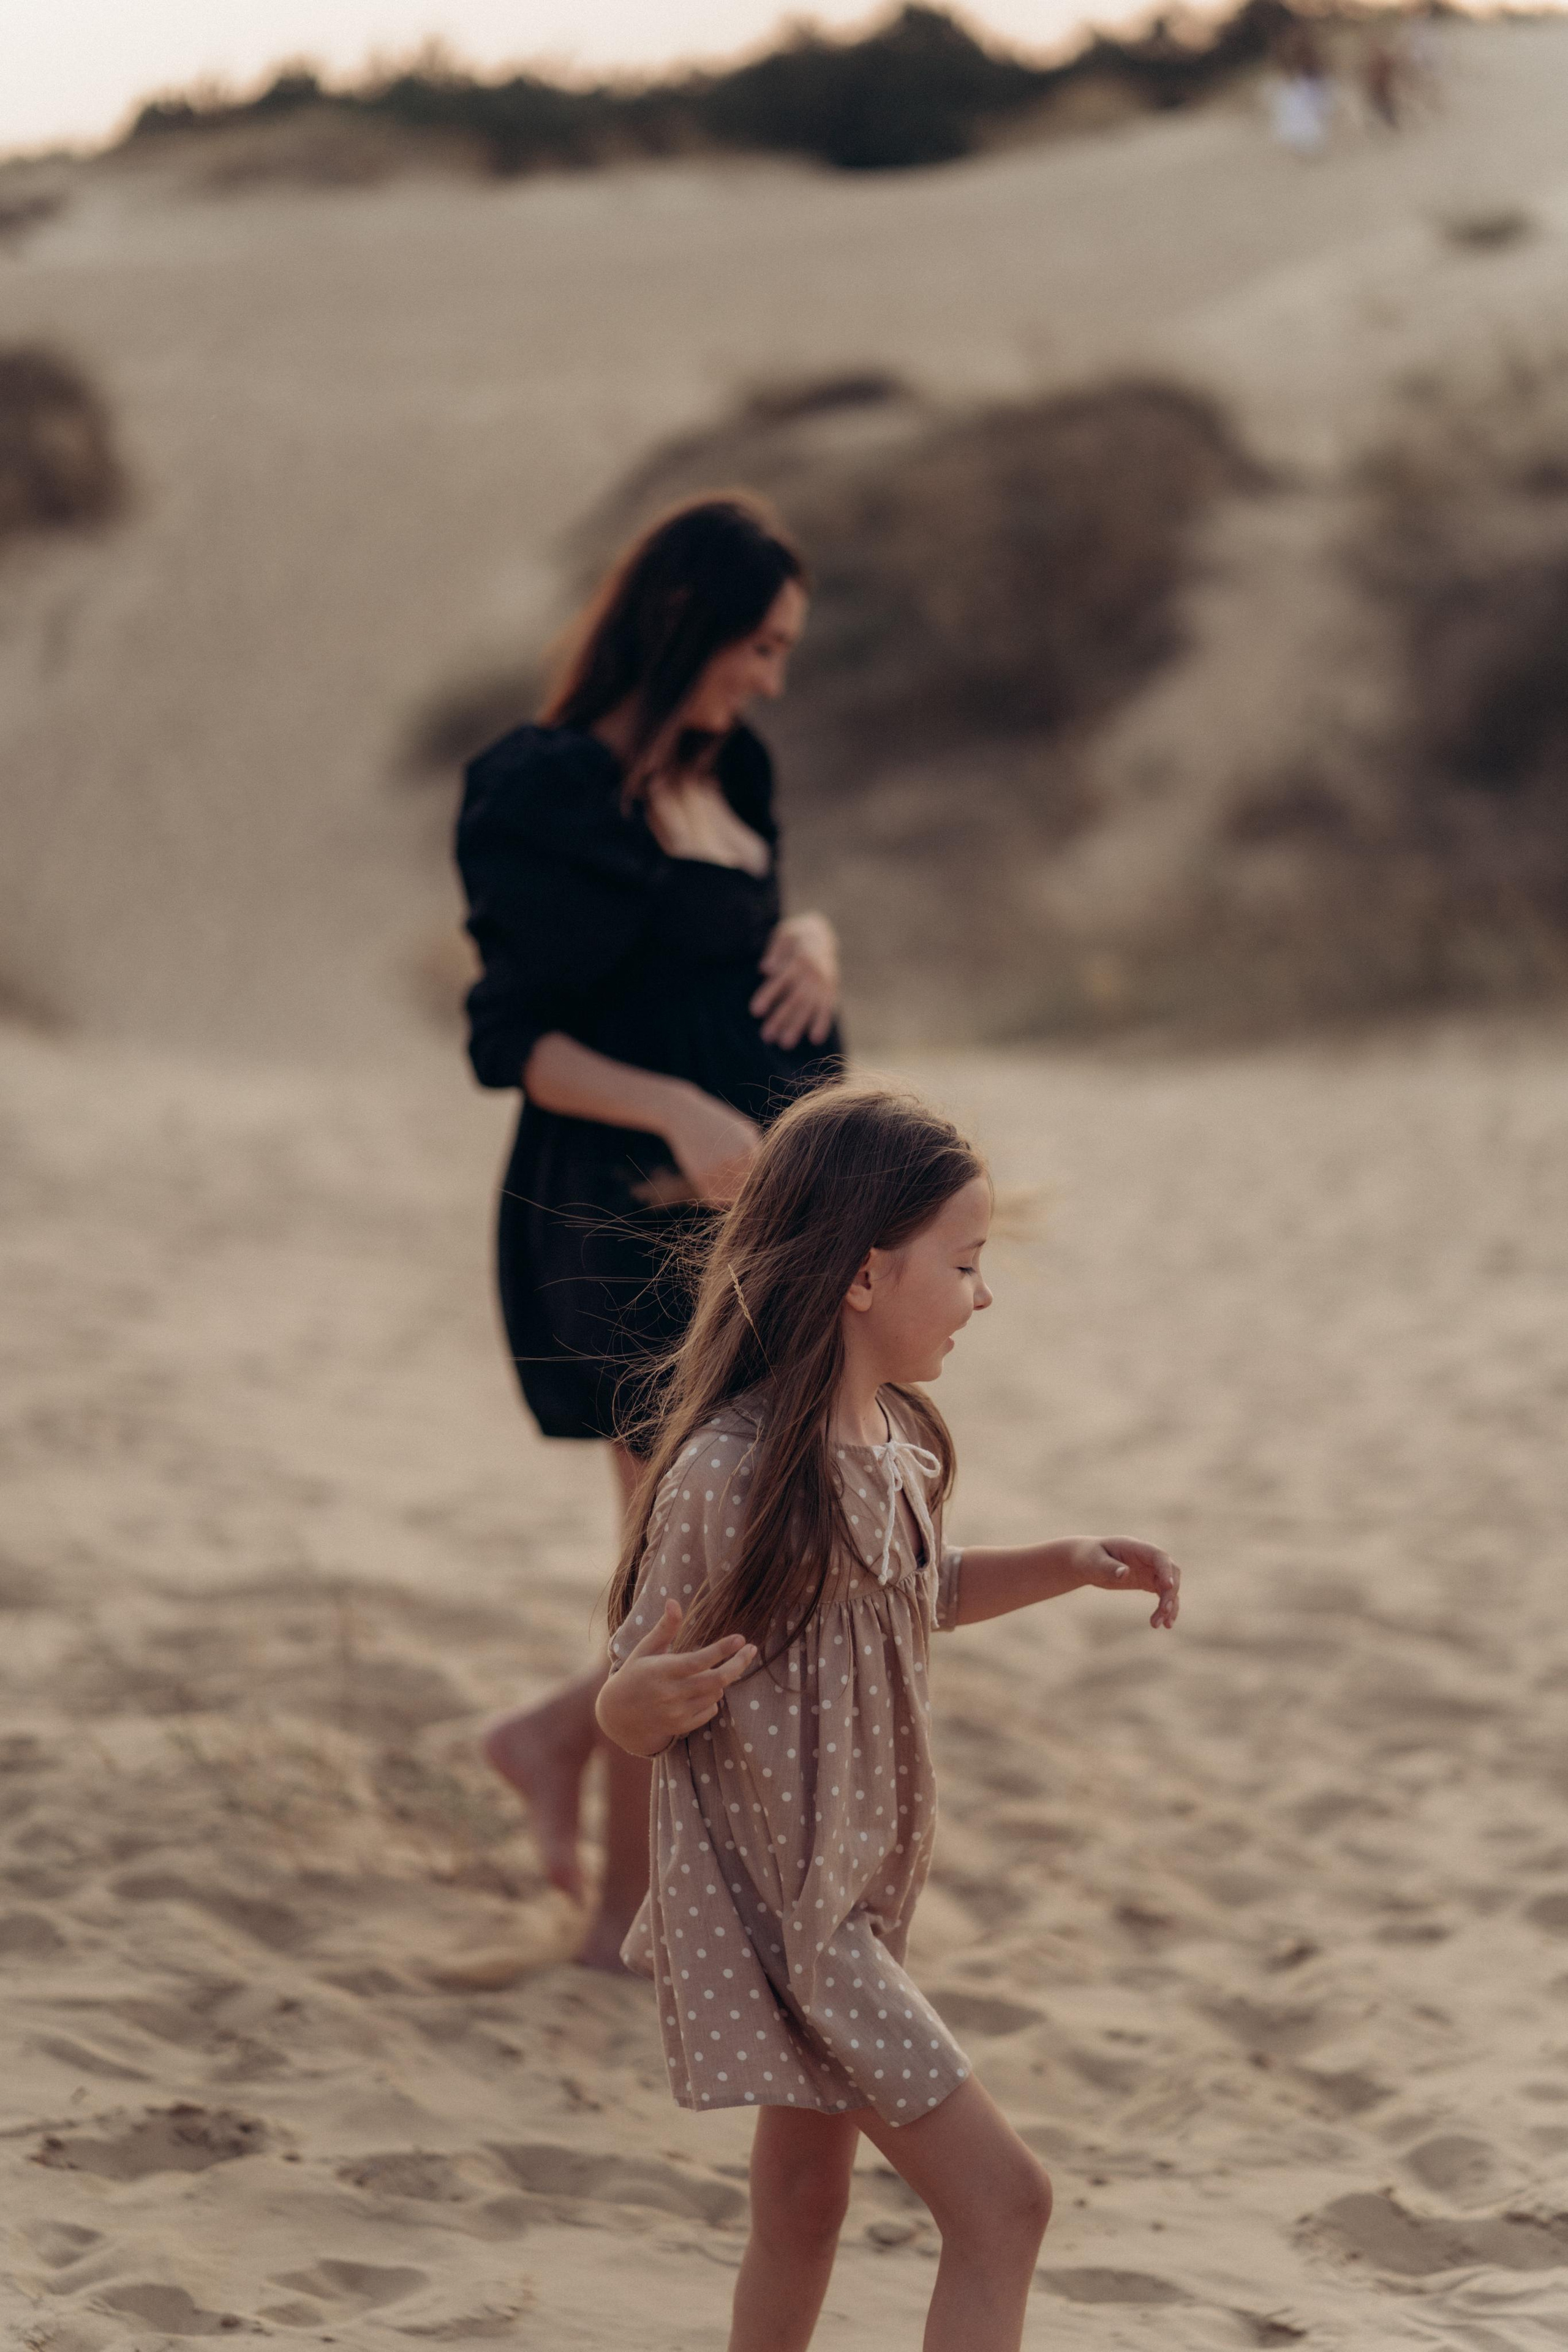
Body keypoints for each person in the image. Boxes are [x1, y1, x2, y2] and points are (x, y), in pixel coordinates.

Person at [597, 1082, 1182, 2352]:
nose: (984, 1296)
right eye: (964, 1265)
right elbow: (634, 1696)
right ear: (865, 1275)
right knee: (1006, 2205)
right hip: (801, 1926)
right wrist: (634, 1705)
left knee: (803, 2207)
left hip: (858, 1899)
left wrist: (1066, 1561)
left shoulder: (896, 1442)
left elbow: (914, 1594)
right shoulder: (728, 1472)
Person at [455, 496, 844, 1969]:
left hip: (758, 1224)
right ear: (684, 620)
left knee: (753, 1541)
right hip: (621, 1217)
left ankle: (559, 1738)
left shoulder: (734, 768)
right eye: (759, 645)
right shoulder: (542, 789)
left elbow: (744, 943)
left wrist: (813, 939)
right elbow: (514, 1041)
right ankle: (624, 1913)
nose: (771, 678)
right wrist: (675, 1108)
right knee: (675, 1557)